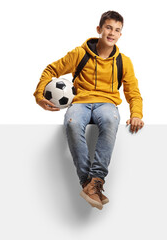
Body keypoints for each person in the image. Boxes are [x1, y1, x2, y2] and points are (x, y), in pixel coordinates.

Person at [34, 11, 144, 210]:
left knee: (111, 120)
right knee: (73, 123)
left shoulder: (124, 61)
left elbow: (133, 92)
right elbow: (51, 70)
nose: (112, 33)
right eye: (109, 27)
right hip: (81, 102)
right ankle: (89, 184)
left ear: (121, 34)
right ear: (99, 29)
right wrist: (39, 95)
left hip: (107, 104)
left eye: (117, 30)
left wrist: (136, 114)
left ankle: (95, 180)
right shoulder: (79, 53)